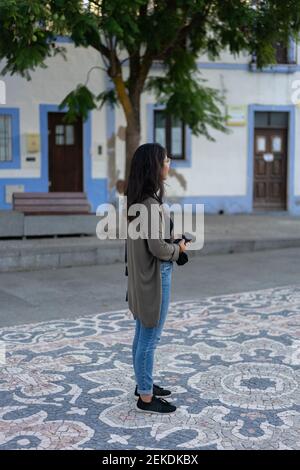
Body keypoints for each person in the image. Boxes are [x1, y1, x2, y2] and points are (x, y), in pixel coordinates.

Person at [124, 143, 188, 414]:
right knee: (151, 336)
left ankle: (143, 384)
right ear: (154, 166)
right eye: (165, 159)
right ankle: (146, 399)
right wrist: (179, 249)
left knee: (142, 333)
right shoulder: (150, 205)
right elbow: (158, 249)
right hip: (154, 276)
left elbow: (151, 240)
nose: (169, 163)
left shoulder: (138, 200)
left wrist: (171, 240)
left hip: (141, 276)